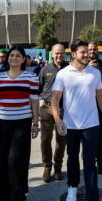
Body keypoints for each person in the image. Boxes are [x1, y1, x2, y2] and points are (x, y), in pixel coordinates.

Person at [50, 40, 102, 201]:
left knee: (90, 164)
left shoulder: (95, 72)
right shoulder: (63, 74)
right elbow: (55, 100)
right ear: (73, 54)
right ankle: (72, 186)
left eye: (87, 52)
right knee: (72, 158)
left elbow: (101, 97)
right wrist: (58, 121)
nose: (86, 55)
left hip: (91, 125)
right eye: (82, 52)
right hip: (71, 125)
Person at [0, 46, 40, 201]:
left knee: (15, 160)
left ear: (23, 59)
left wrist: (35, 123)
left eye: (18, 56)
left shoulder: (31, 77)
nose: (14, 58)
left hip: (22, 123)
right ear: (7, 59)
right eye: (11, 55)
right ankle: (6, 197)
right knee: (3, 161)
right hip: (3, 123)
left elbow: (34, 101)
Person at [37, 44, 68, 183]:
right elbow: (38, 88)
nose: (59, 55)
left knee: (61, 140)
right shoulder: (45, 69)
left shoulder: (70, 69)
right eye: (56, 53)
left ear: (64, 54)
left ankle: (58, 167)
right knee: (45, 140)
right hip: (47, 109)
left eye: (61, 53)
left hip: (63, 110)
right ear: (52, 54)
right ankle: (47, 167)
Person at [88, 41, 102, 173]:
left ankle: (100, 161)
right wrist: (87, 67)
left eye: (94, 49)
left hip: (100, 104)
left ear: (98, 50)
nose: (92, 52)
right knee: (87, 134)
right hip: (86, 104)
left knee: (100, 135)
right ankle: (90, 160)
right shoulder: (82, 65)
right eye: (90, 50)